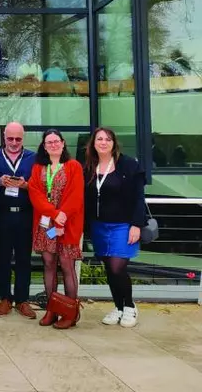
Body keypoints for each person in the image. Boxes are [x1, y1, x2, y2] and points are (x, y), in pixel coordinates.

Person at [84, 127, 145, 328]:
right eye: (99, 139)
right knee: (109, 268)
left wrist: (136, 224)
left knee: (118, 267)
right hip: (99, 226)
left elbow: (138, 198)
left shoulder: (127, 165)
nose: (103, 142)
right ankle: (118, 307)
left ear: (114, 143)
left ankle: (129, 306)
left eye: (107, 139)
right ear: (93, 143)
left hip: (123, 225)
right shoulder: (89, 167)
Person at [28, 129, 85, 329]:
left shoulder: (73, 166)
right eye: (49, 142)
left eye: (56, 141)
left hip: (67, 223)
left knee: (66, 264)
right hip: (46, 224)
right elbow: (35, 194)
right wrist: (53, 214)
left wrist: (61, 219)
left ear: (63, 143)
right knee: (49, 262)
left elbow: (76, 196)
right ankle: (52, 309)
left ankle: (70, 312)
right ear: (44, 146)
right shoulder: (38, 167)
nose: (53, 145)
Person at [0, 122, 37, 319]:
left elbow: (41, 186)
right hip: (1, 214)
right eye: (10, 138)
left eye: (18, 139)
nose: (14, 142)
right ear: (4, 138)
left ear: (23, 138)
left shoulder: (33, 158)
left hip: (24, 214)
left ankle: (22, 299)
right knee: (2, 258)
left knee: (23, 259)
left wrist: (26, 186)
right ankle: (4, 298)